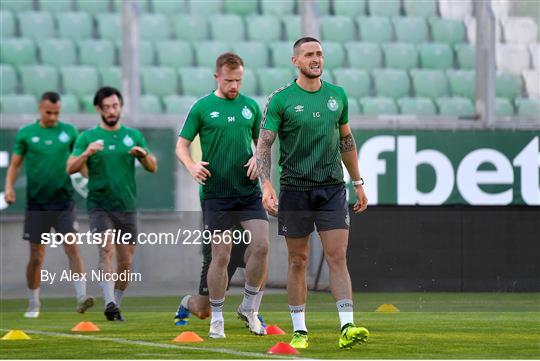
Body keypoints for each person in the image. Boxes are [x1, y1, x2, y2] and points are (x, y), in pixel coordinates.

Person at [255, 37, 370, 350]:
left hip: (332, 189)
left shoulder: (338, 96)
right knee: (298, 260)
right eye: (308, 54)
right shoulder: (281, 99)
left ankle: (347, 325)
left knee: (337, 256)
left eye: (319, 53)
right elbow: (264, 145)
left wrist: (358, 181)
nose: (316, 58)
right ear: (296, 61)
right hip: (295, 191)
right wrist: (266, 185)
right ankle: (299, 330)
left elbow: (346, 141)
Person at [176, 53, 269, 338]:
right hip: (216, 194)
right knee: (222, 254)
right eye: (229, 80)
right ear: (217, 77)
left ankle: (249, 308)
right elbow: (182, 145)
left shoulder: (250, 107)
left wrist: (258, 158)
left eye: (239, 80)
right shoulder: (203, 107)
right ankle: (216, 318)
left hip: (247, 192)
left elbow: (262, 145)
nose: (234, 85)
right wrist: (191, 165)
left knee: (262, 246)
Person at [66, 86, 157, 321]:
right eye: (106, 107)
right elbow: (70, 167)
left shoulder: (133, 135)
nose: (111, 110)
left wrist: (143, 155)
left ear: (121, 107)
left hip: (126, 205)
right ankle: (108, 301)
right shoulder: (87, 137)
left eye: (115, 106)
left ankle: (115, 304)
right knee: (106, 249)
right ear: (98, 109)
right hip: (99, 204)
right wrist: (87, 153)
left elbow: (152, 167)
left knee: (126, 262)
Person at [4, 92, 94, 318]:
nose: (53, 116)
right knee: (36, 255)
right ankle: (33, 303)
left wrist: (91, 180)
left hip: (64, 202)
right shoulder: (26, 134)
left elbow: (79, 161)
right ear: (40, 109)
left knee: (73, 248)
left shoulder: (69, 131)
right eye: (48, 112)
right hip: (37, 204)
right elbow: (15, 165)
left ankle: (81, 297)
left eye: (56, 112)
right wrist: (9, 187)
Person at [174, 233, 267, 329]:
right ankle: (186, 302)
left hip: (244, 240)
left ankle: (252, 312)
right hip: (220, 247)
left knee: (261, 254)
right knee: (203, 311)